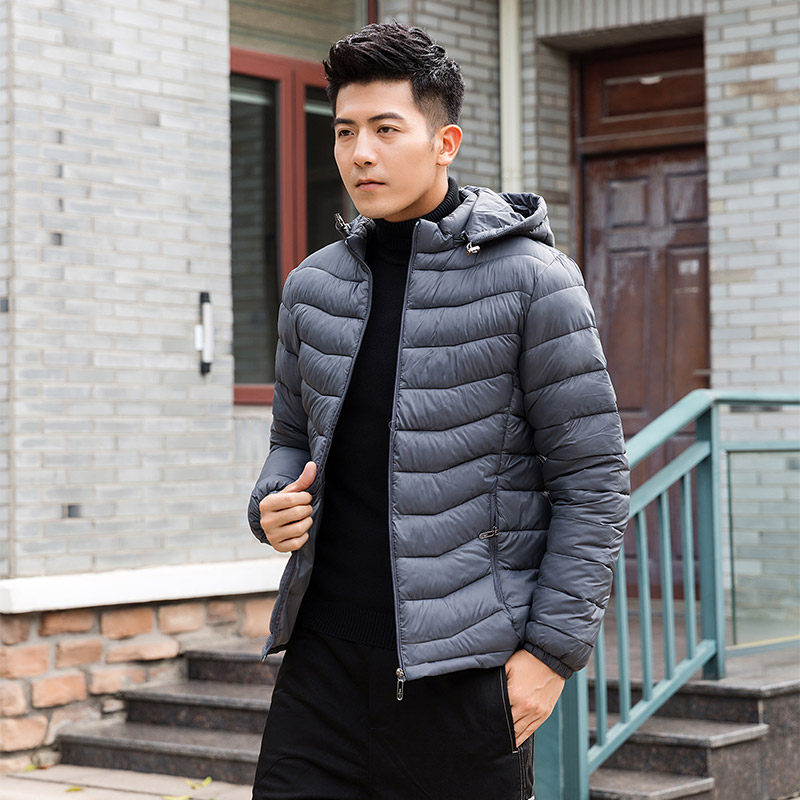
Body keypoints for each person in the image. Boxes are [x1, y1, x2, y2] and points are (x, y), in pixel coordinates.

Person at [247, 22, 630, 800]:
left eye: (386, 129)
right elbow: (291, 438)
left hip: (463, 683)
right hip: (320, 674)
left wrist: (551, 656)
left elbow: (593, 482)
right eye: (345, 131)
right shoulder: (312, 287)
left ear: (444, 142)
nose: (360, 153)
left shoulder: (535, 281)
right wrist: (272, 502)